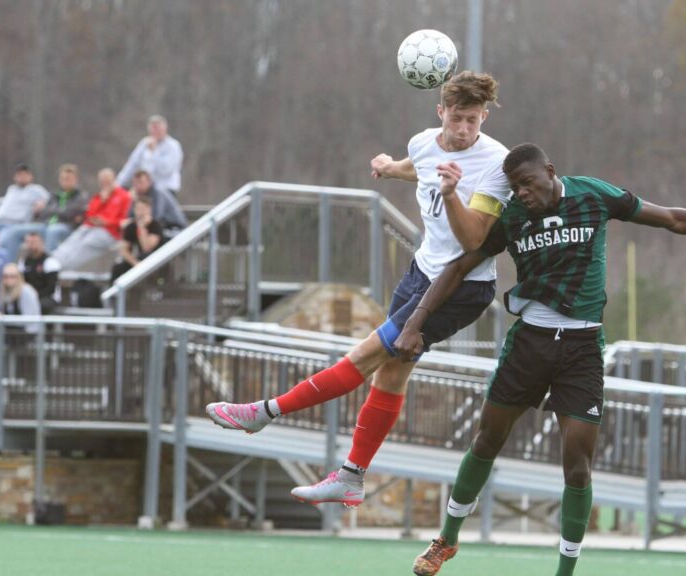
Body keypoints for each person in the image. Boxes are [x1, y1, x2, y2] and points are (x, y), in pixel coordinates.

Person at [404, 143, 686, 576]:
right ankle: (447, 540)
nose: (521, 193)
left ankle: (565, 571)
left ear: (550, 171)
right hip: (530, 343)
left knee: (577, 465)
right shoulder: (514, 219)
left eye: (527, 184)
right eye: (515, 188)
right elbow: (457, 268)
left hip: (581, 350)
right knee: (488, 439)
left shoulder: (593, 196)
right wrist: (417, 322)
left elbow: (672, 218)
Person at [206, 71, 513, 506]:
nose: (464, 130)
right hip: (420, 274)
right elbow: (419, 167)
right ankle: (351, 477)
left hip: (459, 289)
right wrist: (389, 169)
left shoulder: (495, 164)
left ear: (485, 117)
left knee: (367, 354)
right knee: (391, 372)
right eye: (458, 118)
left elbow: (475, 240)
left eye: (474, 121)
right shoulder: (424, 142)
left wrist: (451, 195)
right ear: (441, 112)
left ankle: (263, 412)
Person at [51, 168, 131, 272]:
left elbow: (124, 221)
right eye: (102, 182)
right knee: (75, 238)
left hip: (110, 232)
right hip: (92, 227)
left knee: (87, 243)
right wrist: (102, 201)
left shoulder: (124, 196)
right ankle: (53, 260)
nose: (105, 184)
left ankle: (62, 267)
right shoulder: (99, 196)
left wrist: (107, 222)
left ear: (114, 180)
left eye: (108, 181)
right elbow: (89, 214)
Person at [0, 163, 50, 260]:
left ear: (30, 176)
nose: (22, 177)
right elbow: (4, 201)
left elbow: (50, 200)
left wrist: (42, 203)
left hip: (13, 225)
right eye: (19, 175)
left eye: (24, 174)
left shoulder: (36, 190)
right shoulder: (12, 189)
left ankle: (3, 269)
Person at [117, 115, 183, 195]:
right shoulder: (144, 143)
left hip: (165, 189)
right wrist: (118, 185)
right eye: (153, 129)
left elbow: (166, 170)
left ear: (164, 128)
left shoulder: (173, 146)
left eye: (157, 128)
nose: (155, 132)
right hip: (145, 189)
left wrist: (154, 151)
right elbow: (132, 165)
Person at [111, 196, 163, 282]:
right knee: (118, 267)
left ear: (149, 210)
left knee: (145, 257)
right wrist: (134, 262)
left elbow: (146, 248)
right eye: (138, 209)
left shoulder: (156, 225)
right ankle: (114, 294)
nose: (140, 212)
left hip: (156, 262)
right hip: (138, 261)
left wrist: (141, 228)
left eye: (143, 209)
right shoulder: (131, 226)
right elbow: (124, 250)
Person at [41, 163, 89, 252]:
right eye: (63, 179)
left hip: (67, 227)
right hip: (47, 224)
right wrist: (59, 210)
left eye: (69, 179)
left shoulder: (80, 196)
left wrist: (52, 209)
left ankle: (50, 262)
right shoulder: (54, 195)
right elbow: (44, 212)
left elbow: (69, 213)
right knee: (15, 232)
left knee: (52, 231)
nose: (66, 181)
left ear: (76, 180)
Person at [19, 232, 61, 314]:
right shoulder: (24, 261)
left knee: (40, 305)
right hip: (29, 296)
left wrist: (35, 296)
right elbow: (21, 282)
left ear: (42, 243)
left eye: (34, 242)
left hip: (48, 297)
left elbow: (51, 288)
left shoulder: (50, 261)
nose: (32, 245)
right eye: (29, 242)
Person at [0, 263, 41, 333]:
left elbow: (28, 320)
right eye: (5, 276)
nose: (8, 279)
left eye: (12, 276)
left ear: (19, 277)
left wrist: (3, 318)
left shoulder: (26, 291)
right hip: (12, 332)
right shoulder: (4, 292)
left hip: (28, 333)